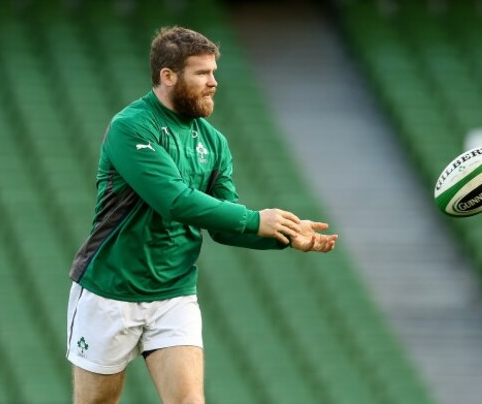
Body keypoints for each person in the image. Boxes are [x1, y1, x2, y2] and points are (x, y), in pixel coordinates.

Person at [66, 26, 338, 404]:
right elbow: (173, 201)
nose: (213, 82)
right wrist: (257, 219)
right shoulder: (131, 127)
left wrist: (287, 235)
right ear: (168, 76)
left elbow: (225, 227)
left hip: (174, 292)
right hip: (110, 291)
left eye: (214, 72)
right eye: (202, 73)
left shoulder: (213, 141)